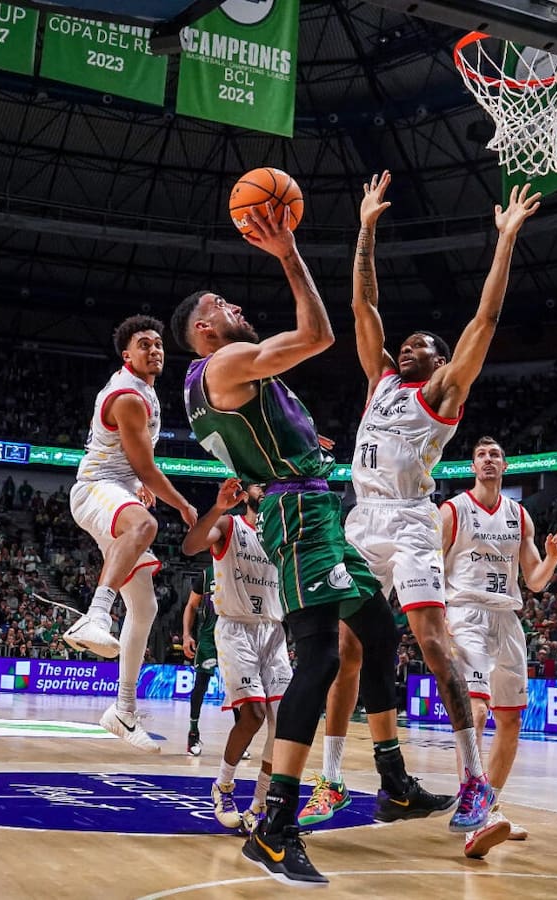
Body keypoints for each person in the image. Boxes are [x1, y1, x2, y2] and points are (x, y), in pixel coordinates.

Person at [172, 202, 437, 885]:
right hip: (297, 515)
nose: (235, 307)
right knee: (318, 659)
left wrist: (295, 446)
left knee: (378, 632)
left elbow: (252, 441)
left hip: (312, 506)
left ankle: (393, 781)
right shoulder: (222, 364)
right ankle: (274, 827)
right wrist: (288, 251)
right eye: (222, 304)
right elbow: (318, 334)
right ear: (204, 329)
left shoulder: (226, 383)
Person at [336, 171, 540, 834]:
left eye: (422, 343)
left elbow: (485, 319)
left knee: (430, 641)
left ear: (442, 361)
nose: (407, 345)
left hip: (410, 522)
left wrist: (504, 240)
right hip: (362, 521)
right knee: (345, 648)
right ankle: (334, 779)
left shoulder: (443, 394)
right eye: (406, 342)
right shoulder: (379, 381)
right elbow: (364, 307)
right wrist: (366, 229)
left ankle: (474, 782)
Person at [62, 316, 198, 752]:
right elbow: (146, 467)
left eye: (159, 344)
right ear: (127, 355)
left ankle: (122, 710)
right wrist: (183, 504)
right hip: (94, 489)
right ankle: (97, 614)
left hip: (117, 488)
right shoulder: (127, 396)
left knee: (146, 606)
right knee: (145, 524)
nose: (155, 349)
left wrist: (136, 484)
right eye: (144, 344)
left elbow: (133, 461)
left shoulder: (145, 389)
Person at [440, 436, 557, 857]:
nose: (488, 459)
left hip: (507, 619)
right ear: (473, 466)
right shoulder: (453, 510)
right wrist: (438, 617)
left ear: (505, 466)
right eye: (481, 455)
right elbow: (431, 567)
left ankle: (488, 808)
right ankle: (472, 810)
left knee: (510, 720)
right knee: (475, 711)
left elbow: (534, 581)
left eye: (495, 455)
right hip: (466, 614)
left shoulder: (519, 515)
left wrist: (552, 559)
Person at [183, 479, 292, 833]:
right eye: (259, 485)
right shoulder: (229, 525)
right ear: (245, 494)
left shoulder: (282, 533)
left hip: (273, 631)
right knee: (254, 714)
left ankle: (260, 804)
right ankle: (223, 786)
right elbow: (190, 546)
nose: (266, 490)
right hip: (236, 628)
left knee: (284, 722)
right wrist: (217, 507)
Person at [182, 564, 219, 756]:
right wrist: (186, 635)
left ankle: (241, 741)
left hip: (235, 637)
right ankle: (193, 734)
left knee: (238, 688)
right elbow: (191, 605)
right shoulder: (206, 575)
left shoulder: (243, 567)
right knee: (201, 685)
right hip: (209, 639)